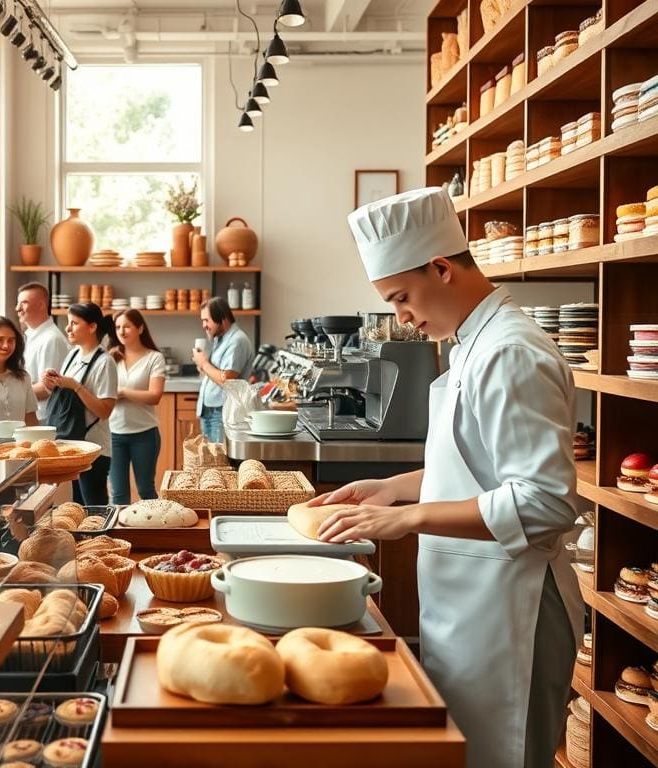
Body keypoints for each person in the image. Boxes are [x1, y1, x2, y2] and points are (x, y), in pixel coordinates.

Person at [311, 186, 583, 768]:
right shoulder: (470, 345)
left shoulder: (510, 352)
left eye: (402, 297)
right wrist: (395, 488)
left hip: (514, 610)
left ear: (441, 267)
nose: (402, 318)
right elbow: (475, 464)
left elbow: (544, 502)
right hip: (472, 604)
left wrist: (406, 517)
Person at [42, 302, 117, 506]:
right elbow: (68, 398)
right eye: (68, 323)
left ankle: (102, 539)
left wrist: (75, 386)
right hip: (72, 446)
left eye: (74, 323)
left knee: (94, 508)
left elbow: (105, 411)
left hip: (94, 449)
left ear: (92, 327)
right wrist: (53, 383)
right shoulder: (73, 354)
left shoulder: (105, 362)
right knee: (74, 506)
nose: (68, 328)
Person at [108, 309, 166, 504]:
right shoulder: (111, 357)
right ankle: (118, 534)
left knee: (146, 490)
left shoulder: (154, 358)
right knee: (118, 494)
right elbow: (102, 394)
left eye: (127, 326)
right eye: (117, 327)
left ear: (140, 328)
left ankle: (153, 534)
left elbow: (154, 396)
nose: (121, 331)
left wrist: (122, 392)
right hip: (113, 434)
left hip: (144, 434)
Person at [192, 297, 253, 443]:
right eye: (202, 320)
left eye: (207, 320)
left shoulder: (237, 341)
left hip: (222, 412)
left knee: (219, 462)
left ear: (223, 318)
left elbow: (228, 380)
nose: (204, 325)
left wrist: (204, 363)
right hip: (210, 410)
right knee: (210, 460)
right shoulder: (219, 339)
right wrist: (202, 365)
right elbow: (216, 374)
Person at [15, 281, 70, 421]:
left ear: (41, 305)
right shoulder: (30, 335)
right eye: (18, 303)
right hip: (31, 415)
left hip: (44, 418)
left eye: (24, 303)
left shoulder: (52, 339)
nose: (17, 308)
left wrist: (9, 396)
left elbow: (47, 388)